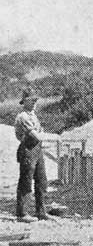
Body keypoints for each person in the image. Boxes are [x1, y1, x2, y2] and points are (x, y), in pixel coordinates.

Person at [14, 88, 49, 222]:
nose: (34, 102)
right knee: (26, 181)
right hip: (28, 149)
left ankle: (41, 212)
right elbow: (36, 135)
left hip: (37, 150)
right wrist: (45, 135)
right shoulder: (22, 117)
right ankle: (22, 213)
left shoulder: (34, 116)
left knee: (41, 180)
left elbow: (40, 135)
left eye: (35, 100)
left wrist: (42, 135)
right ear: (24, 101)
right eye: (31, 100)